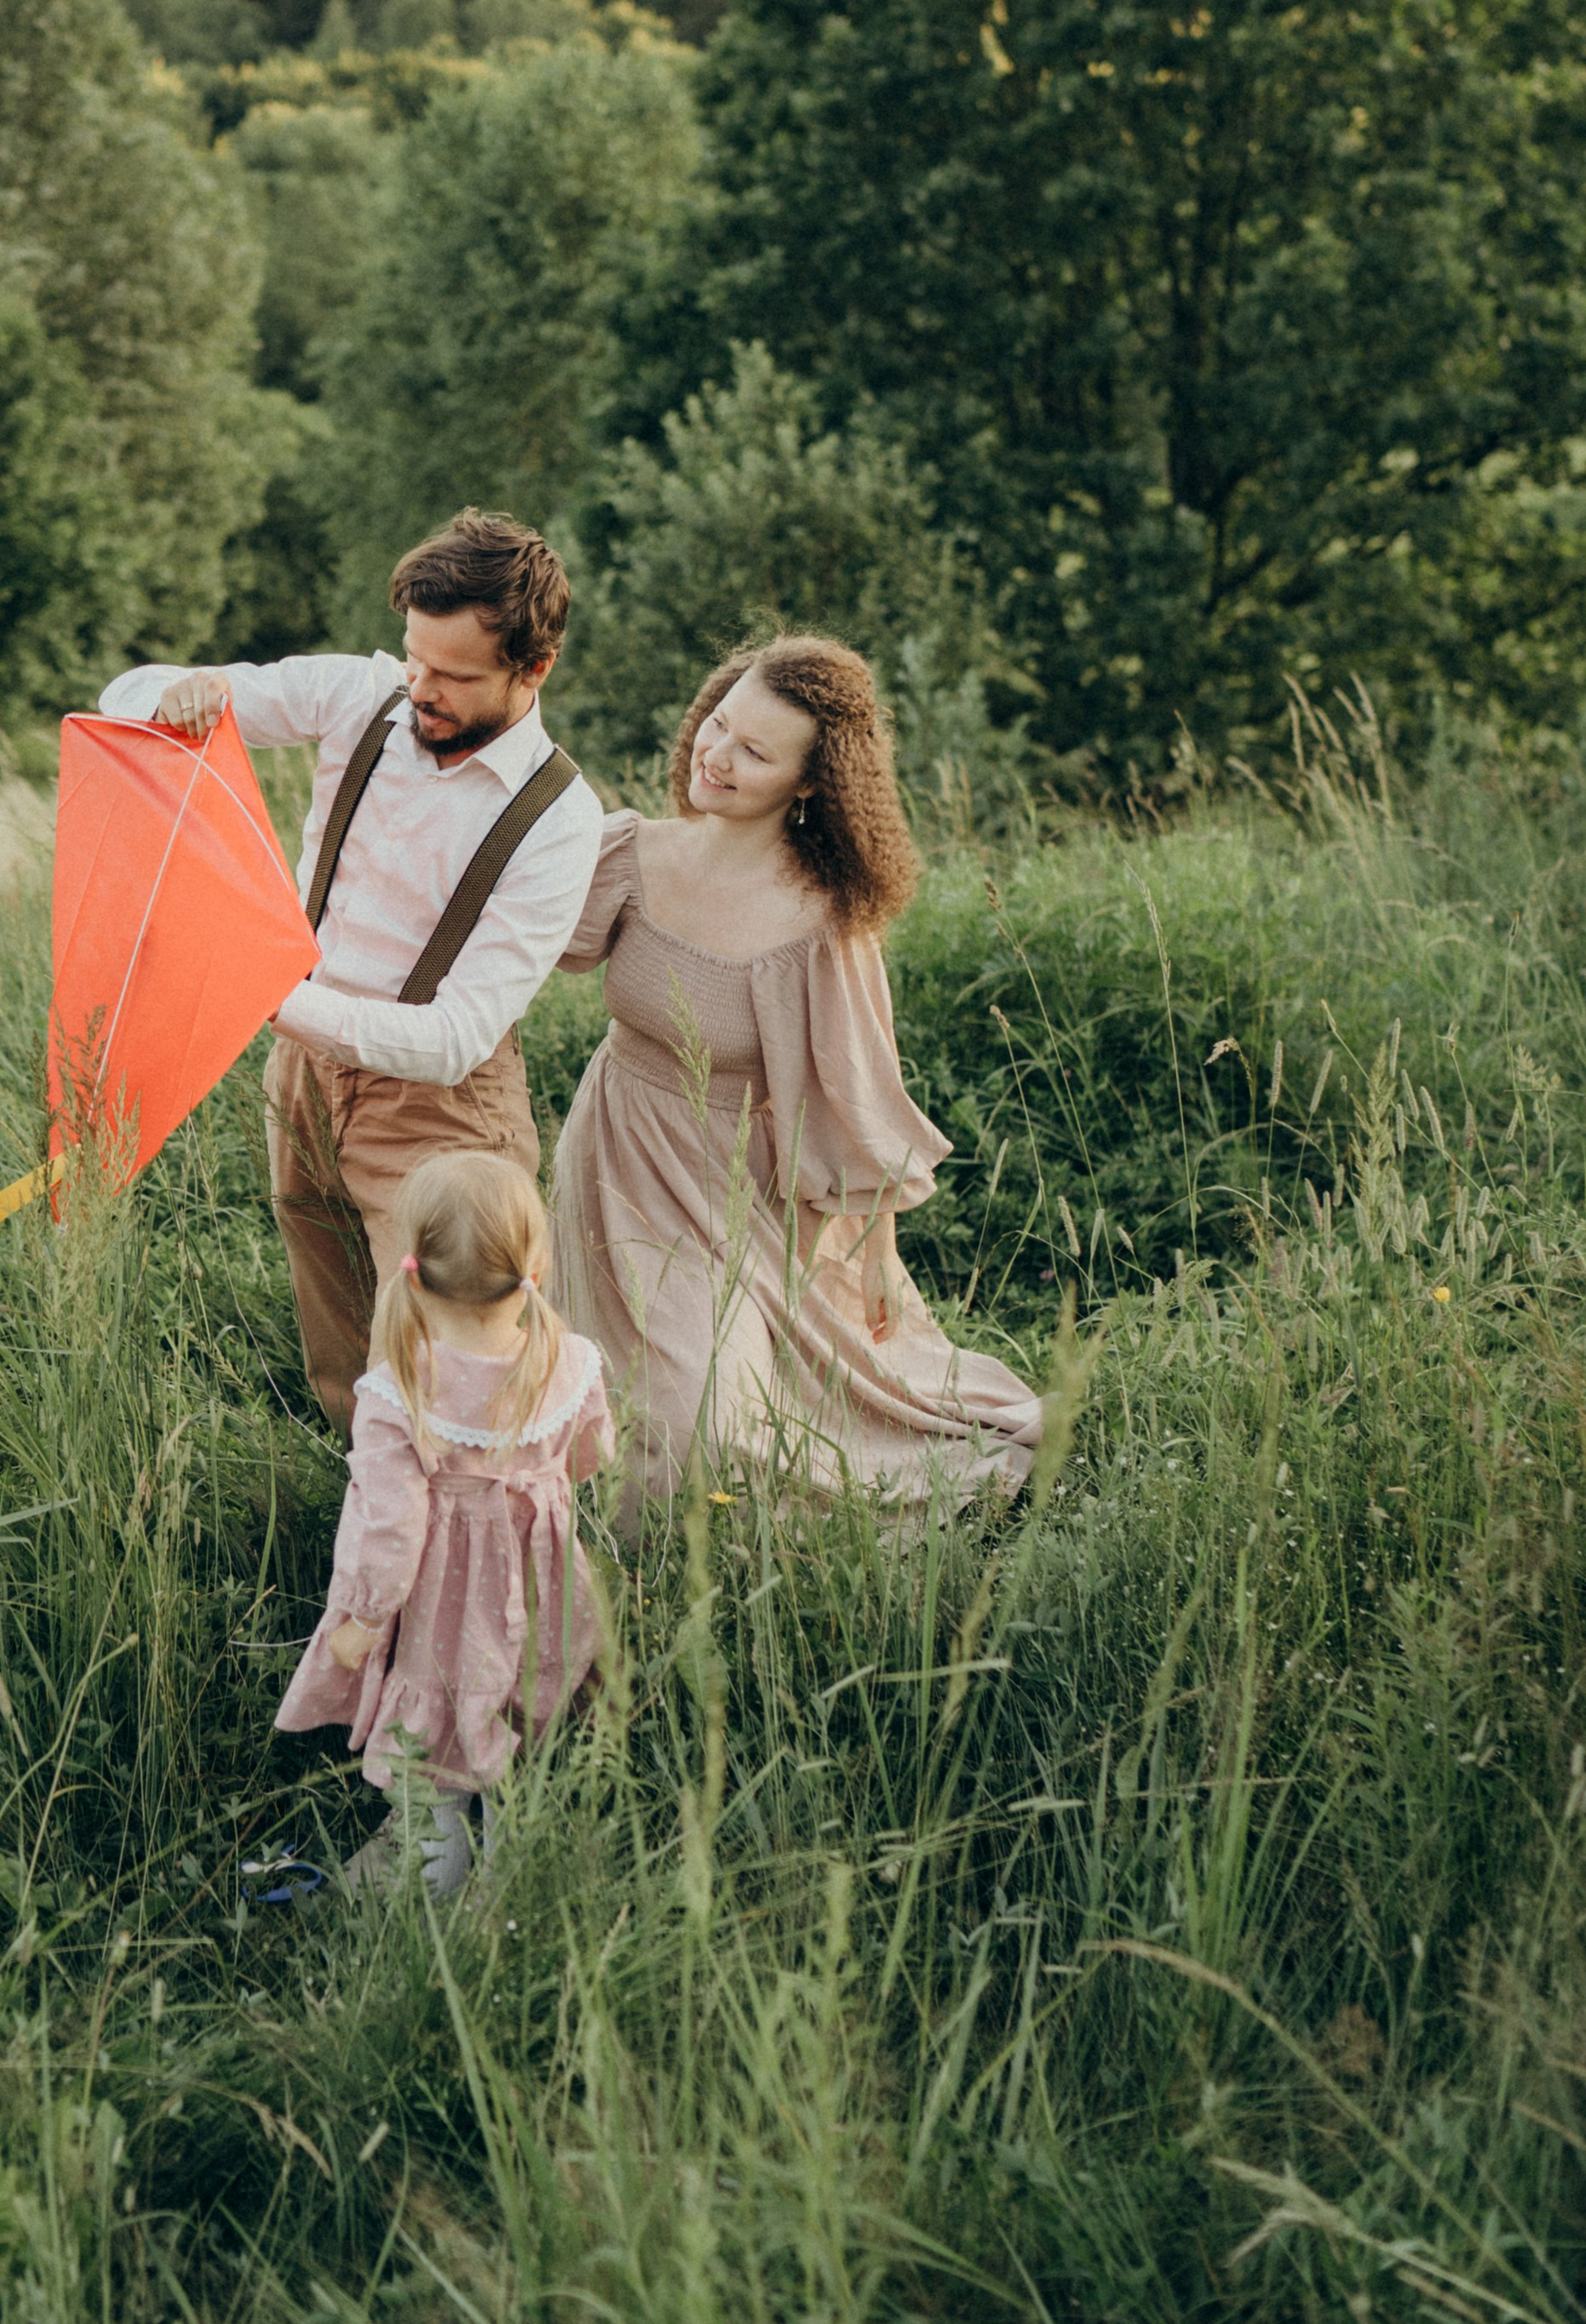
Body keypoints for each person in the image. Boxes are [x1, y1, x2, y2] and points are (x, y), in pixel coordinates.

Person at [95, 511, 603, 1431]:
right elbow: (125, 696)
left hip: (443, 1110)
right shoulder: (360, 693)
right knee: (342, 1363)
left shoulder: (560, 820)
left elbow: (454, 1038)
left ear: (535, 669)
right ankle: (359, 1503)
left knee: (458, 1378)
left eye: (455, 676)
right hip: (302, 1070)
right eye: (414, 659)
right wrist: (178, 693)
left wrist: (266, 992)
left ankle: (493, 1516)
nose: (422, 690)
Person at [552, 635, 1043, 1512]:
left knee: (709, 1433)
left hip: (731, 1195)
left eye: (754, 751)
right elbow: (531, 947)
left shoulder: (821, 923)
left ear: (808, 785)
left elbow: (861, 1100)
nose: (716, 755)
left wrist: (879, 1256)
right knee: (599, 1409)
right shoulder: (630, 850)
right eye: (719, 723)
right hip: (611, 1156)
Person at [274, 1150, 613, 1897]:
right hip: (546, 1584)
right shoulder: (571, 1362)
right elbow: (592, 1454)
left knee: (440, 1726)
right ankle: (509, 1876)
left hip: (448, 1606)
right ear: (535, 1267)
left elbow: (390, 1530)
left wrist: (366, 1619)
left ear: (415, 1274)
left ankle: (435, 1857)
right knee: (522, 1712)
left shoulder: (400, 1391)